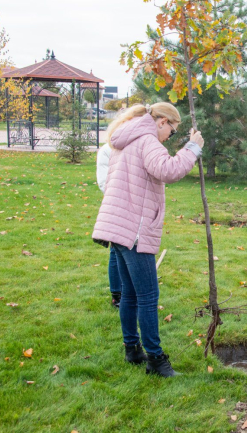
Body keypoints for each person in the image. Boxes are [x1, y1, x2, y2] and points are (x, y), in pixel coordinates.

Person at [92, 102, 204, 377]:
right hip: (134, 230)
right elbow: (168, 170)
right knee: (148, 296)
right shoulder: (147, 140)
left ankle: (132, 349)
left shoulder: (126, 139)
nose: (169, 137)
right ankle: (155, 360)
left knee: (130, 294)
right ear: (162, 121)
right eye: (172, 131)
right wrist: (192, 147)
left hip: (119, 227)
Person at [96, 143, 123, 309]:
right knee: (116, 248)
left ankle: (130, 289)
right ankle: (117, 295)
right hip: (117, 205)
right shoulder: (107, 150)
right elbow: (104, 183)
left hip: (136, 206)